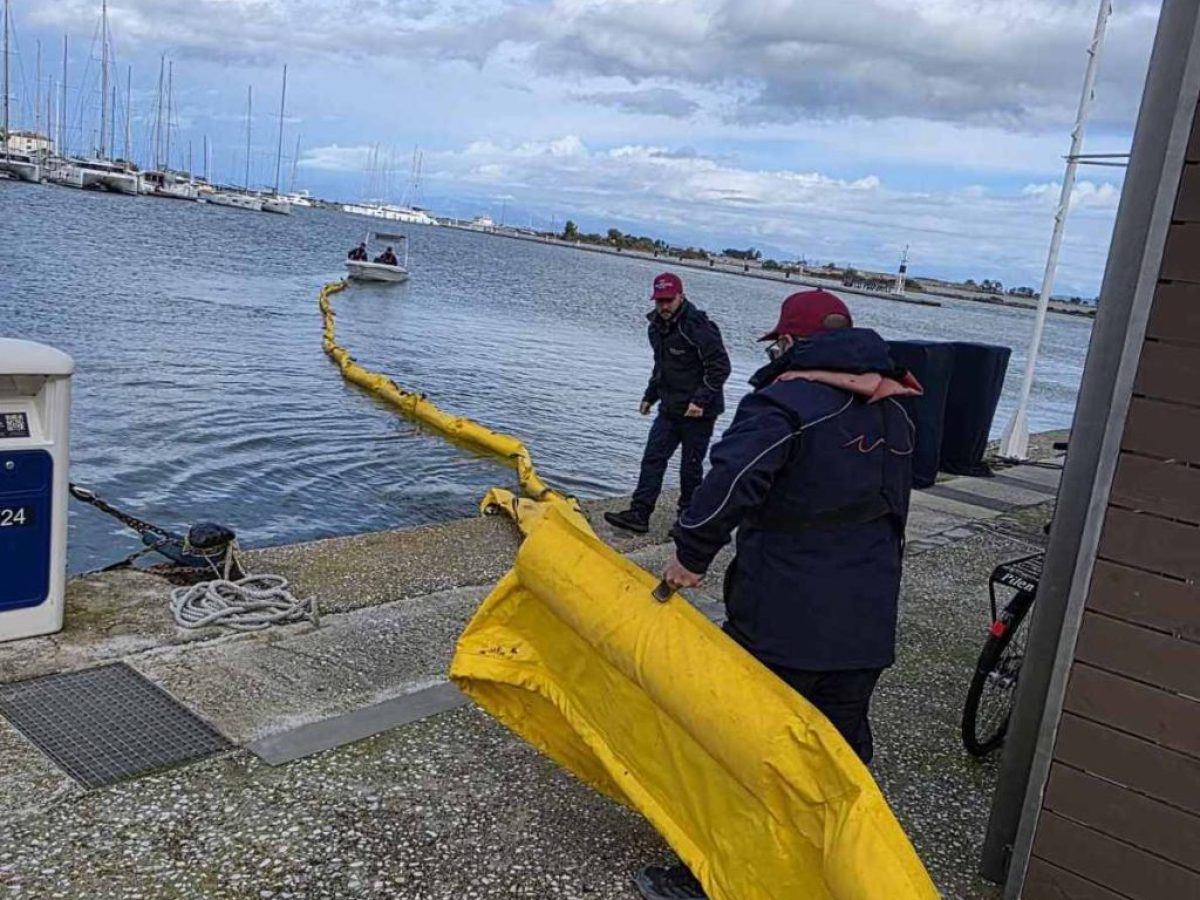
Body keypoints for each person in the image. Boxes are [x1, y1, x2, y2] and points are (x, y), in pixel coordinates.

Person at [634, 289, 922, 900]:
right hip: (868, 617)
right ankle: (834, 874)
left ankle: (711, 880)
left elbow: (731, 480)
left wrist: (690, 555)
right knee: (840, 754)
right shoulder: (897, 408)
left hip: (784, 616)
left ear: (790, 344)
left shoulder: (783, 404)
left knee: (749, 748)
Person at [604, 272, 730, 534]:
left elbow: (720, 367)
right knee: (653, 458)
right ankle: (639, 513)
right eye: (659, 301)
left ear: (681, 296)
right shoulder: (656, 328)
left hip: (699, 412)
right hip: (670, 407)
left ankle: (688, 518)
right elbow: (661, 366)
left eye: (668, 300)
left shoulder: (698, 327)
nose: (663, 306)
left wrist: (700, 400)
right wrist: (649, 396)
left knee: (690, 467)